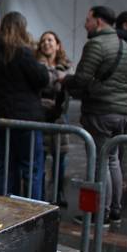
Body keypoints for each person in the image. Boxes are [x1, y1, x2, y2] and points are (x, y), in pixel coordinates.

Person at [63, 5, 127, 224]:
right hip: (121, 111)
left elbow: (82, 79)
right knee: (112, 160)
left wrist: (65, 80)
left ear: (99, 21)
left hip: (100, 111)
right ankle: (114, 210)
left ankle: (98, 213)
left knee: (99, 162)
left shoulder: (96, 44)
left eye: (88, 19)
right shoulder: (125, 45)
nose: (85, 24)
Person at [0, 11, 49, 200]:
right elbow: (41, 78)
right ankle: (33, 210)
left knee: (6, 166)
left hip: (1, 117)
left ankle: (5, 208)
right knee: (31, 168)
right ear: (21, 28)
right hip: (24, 119)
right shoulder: (22, 52)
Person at [36, 31, 74, 206]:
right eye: (43, 41)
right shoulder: (36, 65)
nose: (46, 43)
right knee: (40, 157)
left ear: (58, 44)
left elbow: (69, 88)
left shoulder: (67, 66)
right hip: (40, 117)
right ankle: (41, 194)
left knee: (60, 159)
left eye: (50, 40)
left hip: (59, 117)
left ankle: (59, 193)